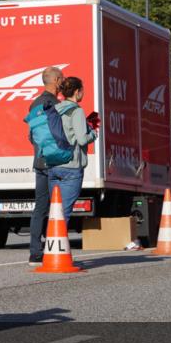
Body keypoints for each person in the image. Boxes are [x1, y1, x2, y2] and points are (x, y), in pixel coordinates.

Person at [47, 76, 98, 223]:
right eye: (82, 90)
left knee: (55, 211)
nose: (83, 93)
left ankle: (51, 237)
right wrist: (93, 134)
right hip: (71, 167)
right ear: (77, 92)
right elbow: (82, 139)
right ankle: (58, 238)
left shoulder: (56, 108)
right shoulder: (77, 111)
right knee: (64, 213)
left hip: (54, 166)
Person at [27, 66, 64, 264]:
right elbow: (60, 133)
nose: (63, 83)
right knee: (58, 206)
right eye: (62, 79)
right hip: (55, 162)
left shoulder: (34, 104)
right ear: (56, 80)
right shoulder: (55, 104)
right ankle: (54, 248)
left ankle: (35, 252)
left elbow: (32, 136)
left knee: (40, 207)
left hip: (40, 161)